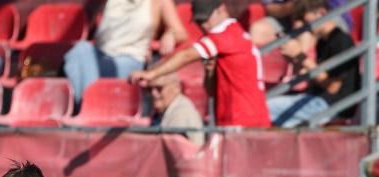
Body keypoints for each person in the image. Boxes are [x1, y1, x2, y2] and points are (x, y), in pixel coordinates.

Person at [130, 0, 270, 128]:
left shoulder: (224, 33)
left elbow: (187, 55)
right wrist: (209, 73)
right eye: (198, 21)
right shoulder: (233, 33)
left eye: (205, 19)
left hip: (242, 120)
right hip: (241, 118)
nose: (203, 26)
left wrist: (151, 73)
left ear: (221, 10)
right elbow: (211, 92)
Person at [62, 0, 188, 105]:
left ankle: (95, 106)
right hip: (100, 54)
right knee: (80, 50)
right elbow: (85, 25)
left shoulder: (159, 1)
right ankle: (88, 105)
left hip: (130, 58)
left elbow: (181, 32)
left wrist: (170, 34)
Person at [267, 0, 360, 127]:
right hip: (318, 99)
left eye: (306, 22)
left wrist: (300, 56)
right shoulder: (323, 42)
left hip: (333, 106)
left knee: (264, 108)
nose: (304, 27)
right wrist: (294, 59)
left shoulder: (341, 40)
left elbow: (334, 88)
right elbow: (315, 81)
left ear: (321, 13)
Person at [147, 72, 205, 144]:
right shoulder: (162, 111)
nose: (153, 93)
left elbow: (174, 151)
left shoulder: (181, 112)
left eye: (159, 88)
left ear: (176, 87)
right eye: (149, 89)